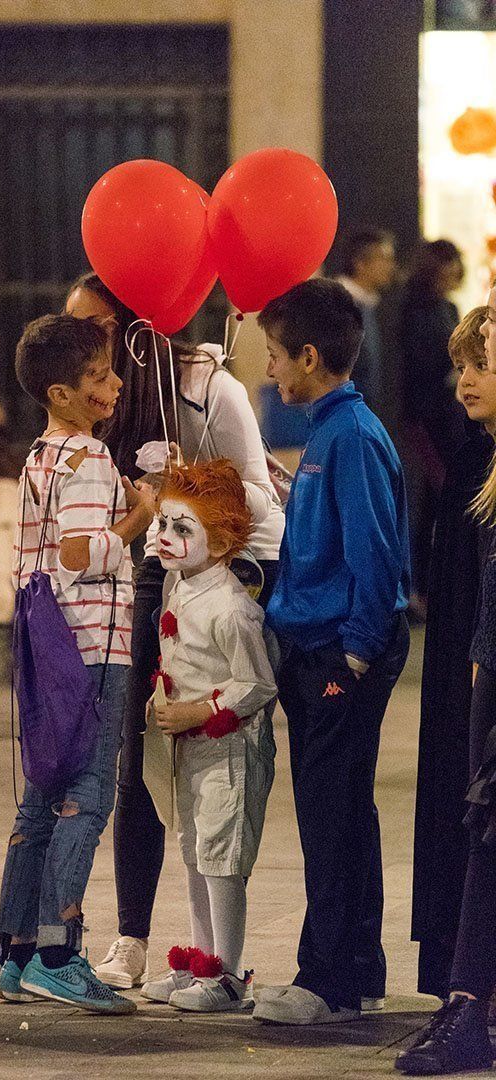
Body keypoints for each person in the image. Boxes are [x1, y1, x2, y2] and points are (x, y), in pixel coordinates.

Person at [65, 273, 285, 990]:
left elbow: (260, 490)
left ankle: (220, 961)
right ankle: (133, 937)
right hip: (140, 576)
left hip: (213, 583)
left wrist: (196, 483)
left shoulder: (205, 386)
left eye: (93, 327)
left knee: (203, 778)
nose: (81, 344)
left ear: (134, 326)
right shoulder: (96, 398)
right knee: (139, 758)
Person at [250, 278, 411, 1025]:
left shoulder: (349, 436)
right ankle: (356, 971)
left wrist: (351, 659)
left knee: (330, 817)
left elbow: (378, 558)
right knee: (344, 813)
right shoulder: (330, 430)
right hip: (318, 649)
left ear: (311, 357)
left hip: (338, 656)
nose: (270, 372)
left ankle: (330, 983)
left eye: (278, 357)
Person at [0, 313, 155, 1015]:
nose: (114, 386)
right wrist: (139, 516)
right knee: (86, 799)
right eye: (97, 378)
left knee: (38, 800)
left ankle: (17, 953)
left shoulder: (40, 455)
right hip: (91, 647)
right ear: (60, 392)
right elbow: (82, 555)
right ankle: (60, 954)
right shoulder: (88, 458)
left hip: (41, 645)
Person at [394, 285, 496, 1076]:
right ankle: (467, 997)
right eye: (460, 365)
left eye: (481, 366)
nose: (464, 381)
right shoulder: (474, 459)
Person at [139, 459, 277, 1013]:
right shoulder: (182, 586)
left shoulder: (231, 608)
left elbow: (257, 682)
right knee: (194, 851)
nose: (167, 539)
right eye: (164, 524)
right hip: (188, 752)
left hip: (227, 753)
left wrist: (201, 710)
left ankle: (230, 973)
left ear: (218, 542)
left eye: (182, 529)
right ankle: (202, 957)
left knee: (221, 856)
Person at [399, 239, 465, 617]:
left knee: (443, 504)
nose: (454, 271)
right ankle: (421, 590)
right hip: (425, 421)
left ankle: (438, 588)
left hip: (452, 420)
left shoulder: (449, 307)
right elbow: (420, 367)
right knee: (431, 504)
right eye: (448, 264)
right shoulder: (415, 310)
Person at [335, 226, 396, 408]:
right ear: (360, 263)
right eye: (384, 258)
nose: (391, 266)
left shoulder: (367, 305)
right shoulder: (339, 307)